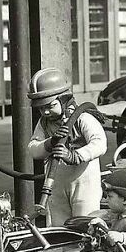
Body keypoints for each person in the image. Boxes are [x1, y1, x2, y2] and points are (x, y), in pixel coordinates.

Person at [27, 68, 107, 225]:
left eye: (50, 106)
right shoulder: (44, 124)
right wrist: (49, 143)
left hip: (84, 182)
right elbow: (32, 148)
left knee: (85, 223)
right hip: (56, 182)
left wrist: (74, 156)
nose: (45, 112)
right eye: (41, 108)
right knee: (58, 226)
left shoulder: (82, 117)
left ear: (63, 99)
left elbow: (100, 143)